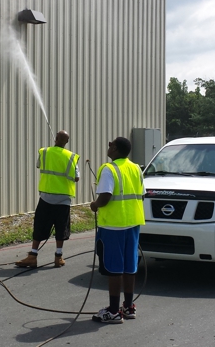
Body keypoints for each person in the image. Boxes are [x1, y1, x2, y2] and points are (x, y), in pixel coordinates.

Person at [90, 137, 145, 324]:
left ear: (115, 149)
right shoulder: (136, 168)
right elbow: (141, 195)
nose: (108, 146)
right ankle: (128, 307)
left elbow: (105, 197)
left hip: (113, 226)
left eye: (111, 144)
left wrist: (94, 205)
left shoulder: (109, 169)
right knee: (129, 267)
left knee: (114, 269)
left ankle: (113, 312)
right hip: (133, 224)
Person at [15, 130, 80, 268]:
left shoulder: (44, 152)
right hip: (63, 199)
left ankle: (32, 256)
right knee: (61, 228)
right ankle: (58, 257)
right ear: (67, 142)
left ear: (55, 138)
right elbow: (77, 177)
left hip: (46, 197)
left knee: (40, 225)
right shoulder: (72, 157)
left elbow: (39, 165)